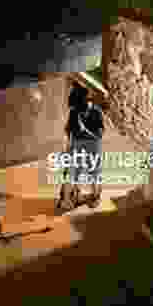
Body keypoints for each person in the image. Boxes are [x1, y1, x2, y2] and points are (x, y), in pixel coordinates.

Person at [56, 82, 105, 212]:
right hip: (77, 145)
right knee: (72, 173)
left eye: (76, 106)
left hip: (92, 145)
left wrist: (85, 130)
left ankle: (95, 197)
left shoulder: (96, 112)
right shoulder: (74, 111)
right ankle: (68, 199)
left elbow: (99, 134)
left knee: (94, 173)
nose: (75, 109)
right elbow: (68, 130)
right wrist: (69, 147)